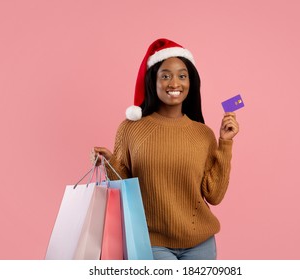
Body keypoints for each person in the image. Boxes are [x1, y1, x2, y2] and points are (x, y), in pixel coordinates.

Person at [92, 38, 239, 260]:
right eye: (165, 75)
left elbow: (214, 195)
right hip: (152, 241)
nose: (174, 83)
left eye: (182, 75)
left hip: (201, 243)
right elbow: (126, 188)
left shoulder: (203, 134)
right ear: (153, 81)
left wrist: (225, 143)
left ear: (191, 82)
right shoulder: (131, 129)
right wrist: (109, 162)